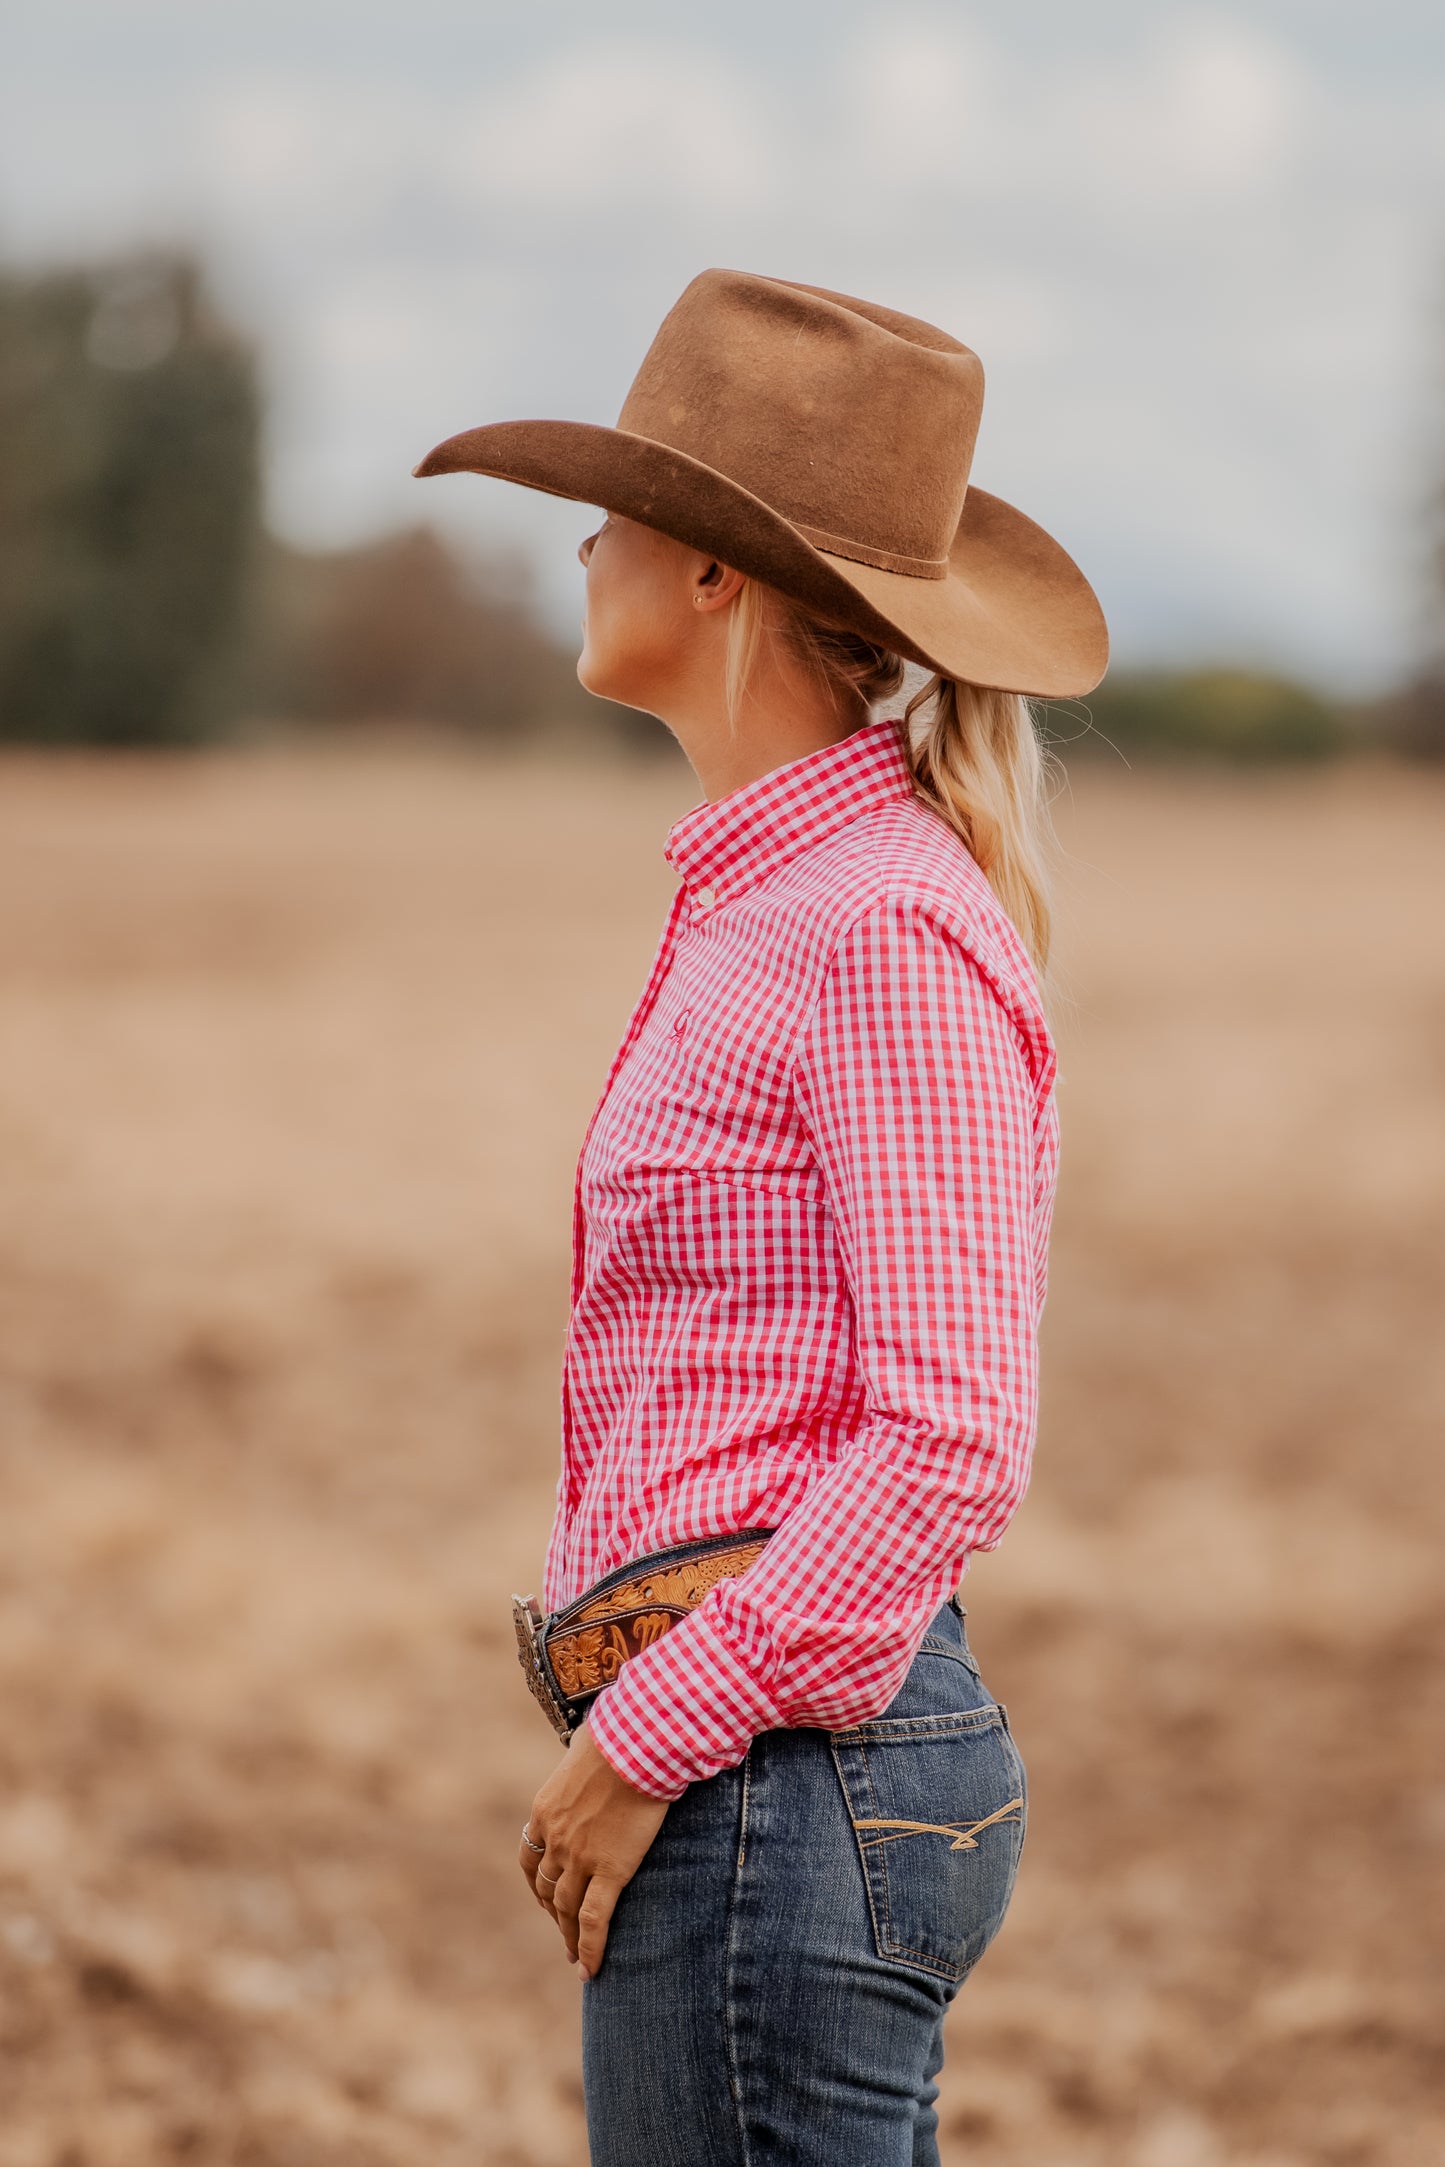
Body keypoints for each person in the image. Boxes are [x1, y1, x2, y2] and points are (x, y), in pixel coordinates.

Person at [414, 267, 1107, 2167]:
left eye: (618, 509)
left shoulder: (870, 923)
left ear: (716, 574)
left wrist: (648, 1733)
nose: (578, 545)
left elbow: (950, 1435)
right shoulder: (773, 900)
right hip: (774, 1787)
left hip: (769, 1794)